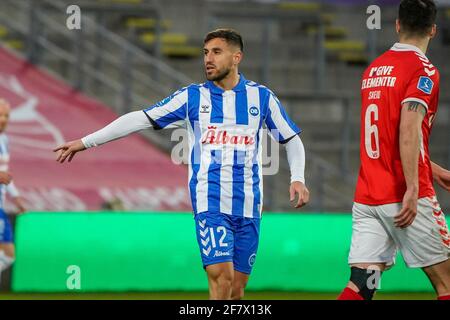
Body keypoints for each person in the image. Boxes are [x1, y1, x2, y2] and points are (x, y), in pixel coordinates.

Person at [54, 29, 309, 300]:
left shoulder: (262, 98)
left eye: (216, 52)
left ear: (237, 57)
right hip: (210, 203)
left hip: (249, 206)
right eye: (205, 52)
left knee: (236, 290)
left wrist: (298, 177)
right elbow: (139, 118)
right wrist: (86, 141)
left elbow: (291, 138)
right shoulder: (191, 98)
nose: (208, 59)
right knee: (222, 278)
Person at [338, 0, 450, 300]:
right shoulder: (424, 70)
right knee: (447, 283)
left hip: (369, 197)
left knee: (363, 283)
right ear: (433, 30)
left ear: (398, 25)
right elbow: (408, 128)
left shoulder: (374, 69)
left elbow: (388, 134)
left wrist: (433, 168)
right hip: (404, 196)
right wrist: (414, 187)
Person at [0, 99, 26, 280]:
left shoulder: (5, 140)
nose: (3, 119)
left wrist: (16, 198)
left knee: (8, 255)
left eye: (6, 115)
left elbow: (4, 174)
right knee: (8, 254)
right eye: (0, 115)